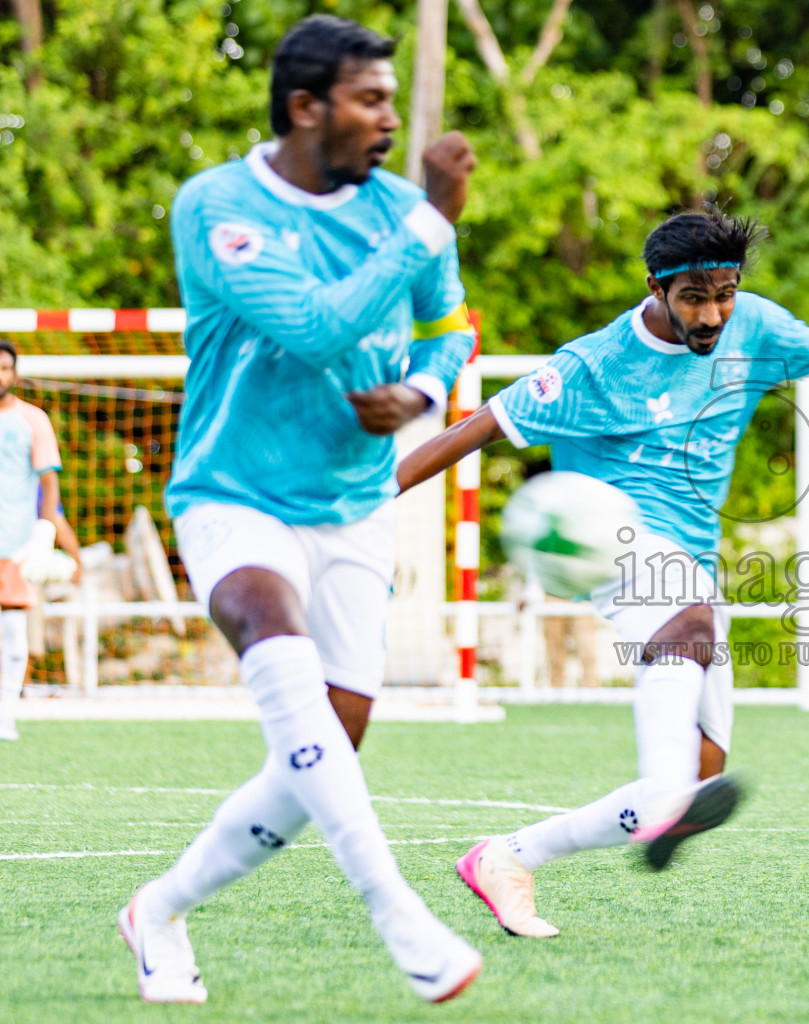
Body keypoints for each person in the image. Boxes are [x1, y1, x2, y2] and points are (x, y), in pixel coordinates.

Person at [396, 209, 809, 939]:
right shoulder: (593, 366)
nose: (713, 313)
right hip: (599, 538)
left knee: (702, 772)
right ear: (655, 287)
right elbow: (468, 432)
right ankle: (658, 802)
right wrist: (359, 500)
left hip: (692, 565)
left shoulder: (755, 328)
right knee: (687, 626)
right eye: (695, 296)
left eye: (725, 292)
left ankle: (508, 856)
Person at [119, 17, 482, 1005]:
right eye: (370, 101)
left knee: (327, 737)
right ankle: (396, 908)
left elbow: (451, 330)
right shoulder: (219, 206)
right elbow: (316, 329)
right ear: (304, 108)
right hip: (231, 492)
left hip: (355, 501)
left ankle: (157, 908)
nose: (388, 121)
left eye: (390, 101)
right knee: (271, 640)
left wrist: (419, 395)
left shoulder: (405, 209)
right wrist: (427, 225)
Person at [0, 341, 84, 741]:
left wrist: (46, 530)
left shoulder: (32, 420)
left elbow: (49, 481)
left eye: (4, 368)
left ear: (14, 373)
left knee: (14, 632)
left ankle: (5, 713)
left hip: (13, 545)